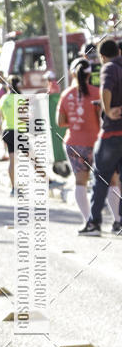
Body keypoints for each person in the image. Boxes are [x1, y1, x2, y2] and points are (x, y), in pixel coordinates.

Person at [56, 59, 115, 226]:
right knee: (111, 181)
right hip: (97, 143)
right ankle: (117, 221)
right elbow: (104, 118)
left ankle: (89, 221)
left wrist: (76, 122)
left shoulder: (66, 94)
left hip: (74, 143)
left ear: (73, 73)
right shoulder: (98, 92)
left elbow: (60, 122)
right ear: (90, 74)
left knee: (80, 182)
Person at [79, 38, 122, 235]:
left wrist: (108, 109)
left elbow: (106, 89)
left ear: (103, 56)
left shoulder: (109, 68)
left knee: (101, 178)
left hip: (112, 133)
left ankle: (94, 223)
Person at [0, 75, 26, 196]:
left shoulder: (3, 99)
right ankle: (48, 181)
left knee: (12, 161)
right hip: (18, 131)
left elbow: (1, 116)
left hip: (7, 131)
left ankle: (14, 188)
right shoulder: (20, 99)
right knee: (33, 157)